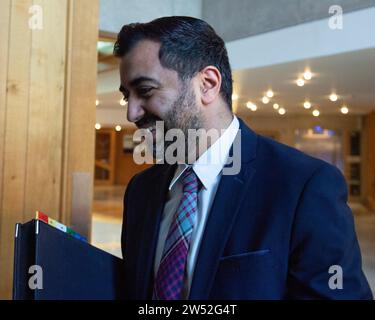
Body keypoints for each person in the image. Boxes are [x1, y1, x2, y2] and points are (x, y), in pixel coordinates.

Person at [114, 16, 373, 300]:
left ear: (208, 84)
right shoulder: (141, 191)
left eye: (146, 91)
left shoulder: (304, 187)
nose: (132, 114)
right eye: (128, 96)